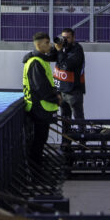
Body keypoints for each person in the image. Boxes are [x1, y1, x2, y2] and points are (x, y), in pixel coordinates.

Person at [22, 32, 62, 167]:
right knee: (38, 141)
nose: (49, 45)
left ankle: (37, 169)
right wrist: (55, 98)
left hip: (39, 107)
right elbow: (41, 87)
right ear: (39, 44)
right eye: (47, 42)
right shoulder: (35, 62)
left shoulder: (38, 59)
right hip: (39, 108)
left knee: (40, 140)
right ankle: (36, 172)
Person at [50, 28, 86, 122]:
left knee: (79, 118)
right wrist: (55, 48)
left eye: (68, 38)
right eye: (63, 37)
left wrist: (60, 51)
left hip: (73, 91)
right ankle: (66, 137)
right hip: (61, 90)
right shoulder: (61, 48)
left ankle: (81, 135)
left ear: (74, 38)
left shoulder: (77, 49)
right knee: (65, 119)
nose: (65, 40)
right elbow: (50, 57)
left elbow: (67, 66)